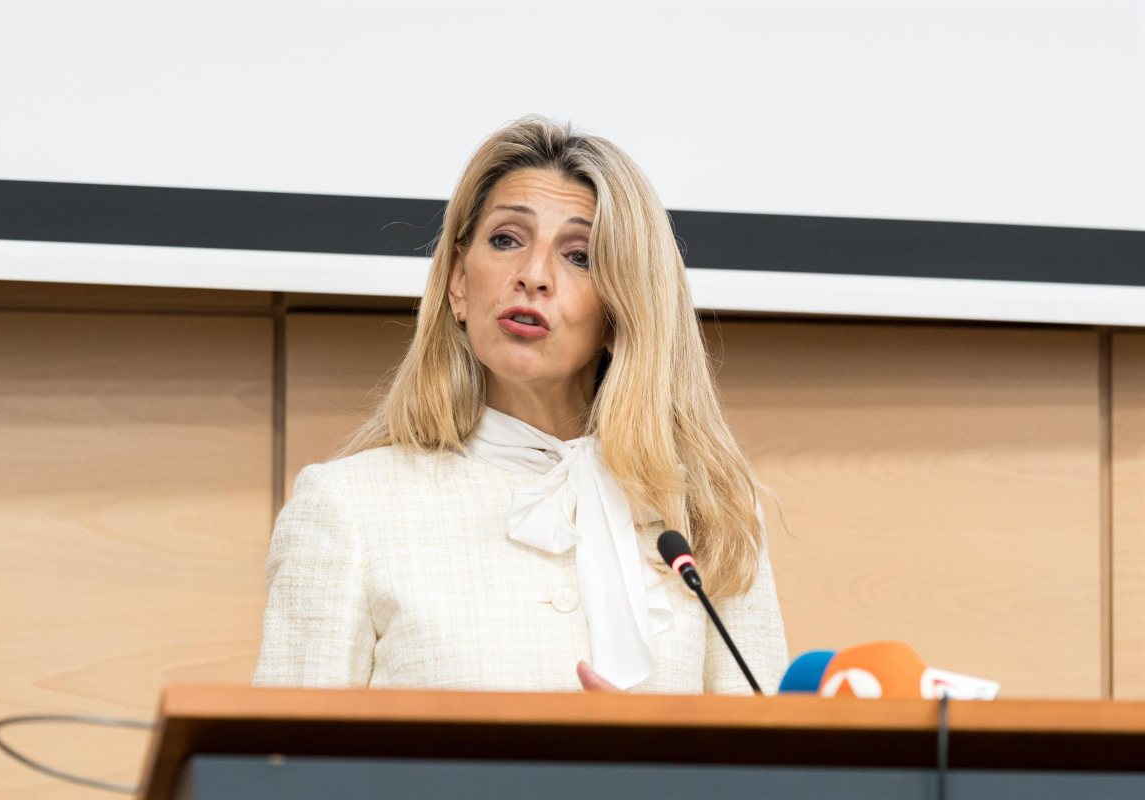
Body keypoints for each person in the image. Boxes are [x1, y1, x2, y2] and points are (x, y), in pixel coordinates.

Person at [253, 117, 788, 694]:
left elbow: (772, 774)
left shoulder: (710, 514)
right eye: (506, 240)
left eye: (579, 256)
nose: (533, 276)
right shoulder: (348, 508)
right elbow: (278, 770)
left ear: (622, 311)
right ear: (459, 283)